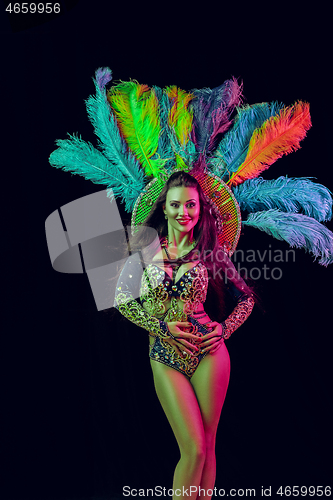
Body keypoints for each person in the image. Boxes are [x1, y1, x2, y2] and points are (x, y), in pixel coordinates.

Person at [114, 171, 255, 499]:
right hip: (165, 356)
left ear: (200, 208)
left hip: (210, 355)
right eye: (176, 205)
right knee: (192, 447)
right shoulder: (146, 250)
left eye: (190, 205)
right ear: (163, 208)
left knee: (207, 447)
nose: (184, 212)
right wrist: (161, 328)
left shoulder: (211, 251)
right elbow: (122, 297)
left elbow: (246, 298)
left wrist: (224, 329)